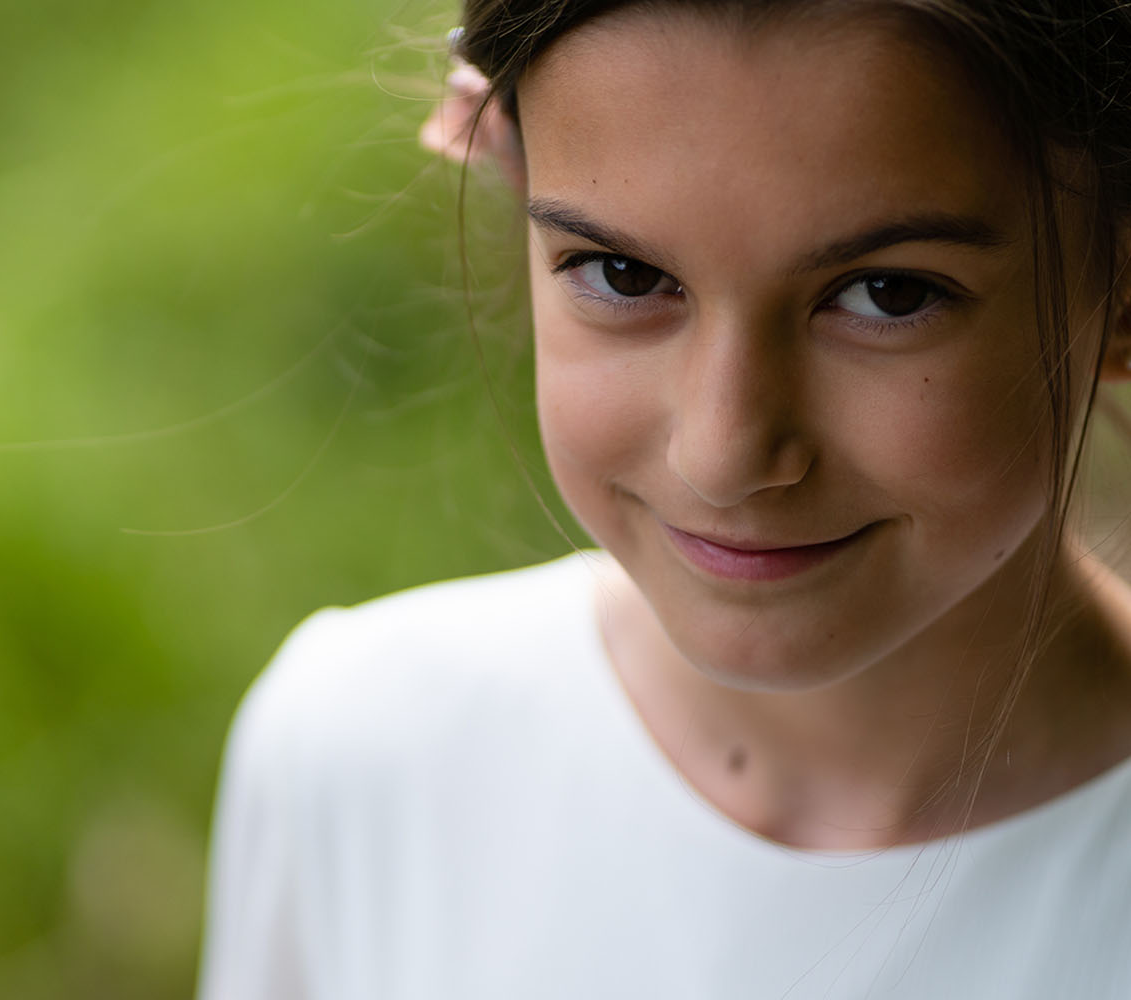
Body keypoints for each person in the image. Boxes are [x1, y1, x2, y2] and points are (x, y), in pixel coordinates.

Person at [197, 2, 1131, 996]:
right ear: (518, 182)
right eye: (624, 272)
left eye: (888, 294)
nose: (724, 454)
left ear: (1120, 283)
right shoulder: (364, 758)